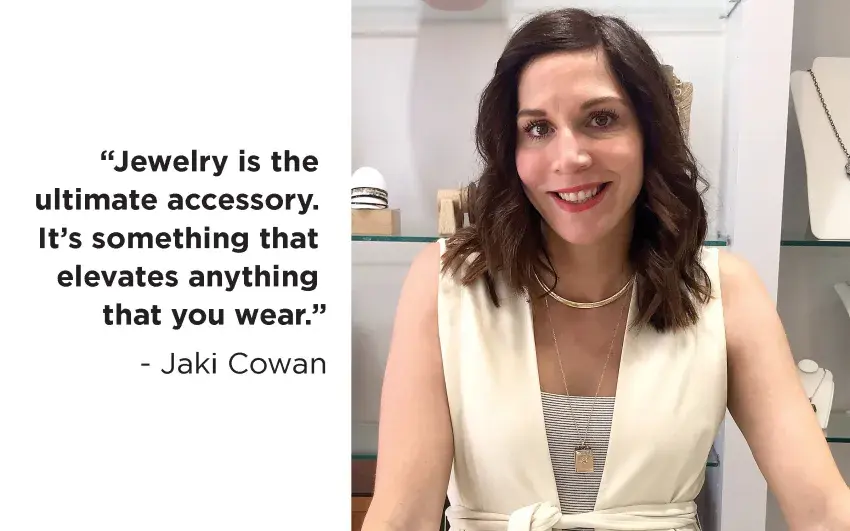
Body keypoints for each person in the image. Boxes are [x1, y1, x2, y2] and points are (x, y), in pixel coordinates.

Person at [361, 8, 850, 531]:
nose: (569, 157)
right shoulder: (448, 286)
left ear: (649, 133)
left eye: (600, 119)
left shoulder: (722, 291)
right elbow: (401, 518)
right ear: (511, 148)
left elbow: (824, 509)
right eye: (538, 128)